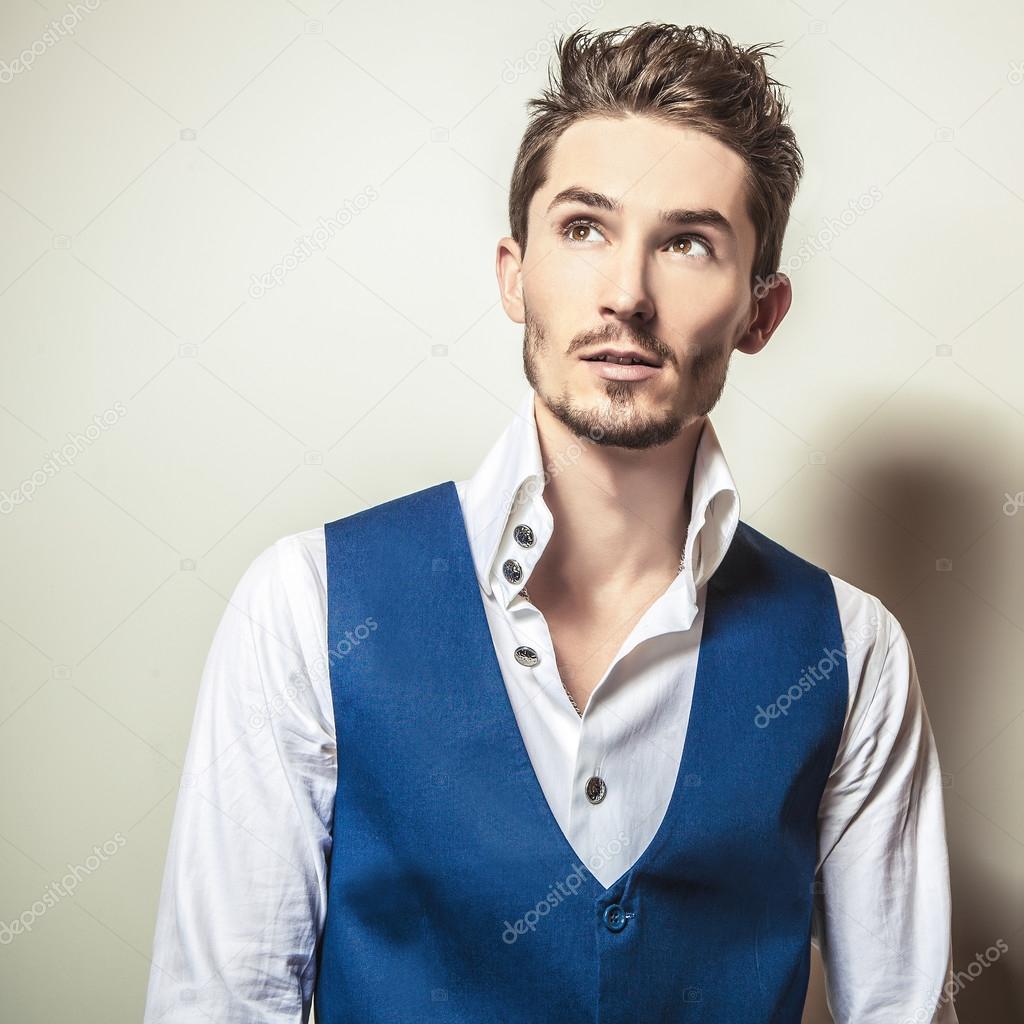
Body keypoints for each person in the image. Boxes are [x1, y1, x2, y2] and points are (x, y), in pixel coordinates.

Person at [143, 22, 958, 1024]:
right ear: (513, 274)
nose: (625, 295)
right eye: (583, 229)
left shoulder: (852, 651)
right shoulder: (306, 604)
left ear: (760, 311)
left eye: (688, 242)